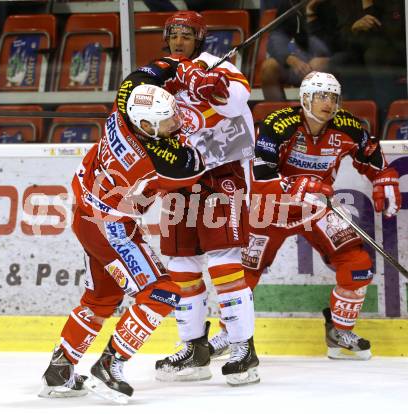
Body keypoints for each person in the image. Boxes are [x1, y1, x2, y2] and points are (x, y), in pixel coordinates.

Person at [38, 74, 227, 401]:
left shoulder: (120, 113)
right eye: (167, 121)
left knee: (100, 300)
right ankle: (109, 365)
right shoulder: (149, 159)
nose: (176, 122)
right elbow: (193, 166)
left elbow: (141, 77)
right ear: (147, 127)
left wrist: (181, 71)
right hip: (111, 228)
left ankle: (60, 370)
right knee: (163, 291)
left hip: (87, 219)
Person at [243, 71, 401, 360]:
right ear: (305, 98)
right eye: (321, 96)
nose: (328, 102)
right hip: (273, 207)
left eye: (333, 97)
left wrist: (385, 177)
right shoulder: (278, 124)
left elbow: (372, 157)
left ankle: (339, 331)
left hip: (317, 206)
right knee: (244, 275)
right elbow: (260, 173)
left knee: (357, 264)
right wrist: (298, 184)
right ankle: (233, 336)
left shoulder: (349, 127)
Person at [153, 11, 259, 386]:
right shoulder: (160, 73)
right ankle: (194, 348)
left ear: (199, 39)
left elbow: (238, 99)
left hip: (222, 170)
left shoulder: (214, 64)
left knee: (224, 260)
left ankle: (243, 349)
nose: (179, 41)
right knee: (180, 262)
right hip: (181, 173)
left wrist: (206, 82)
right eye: (174, 34)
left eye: (187, 35)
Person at [260, 0, 339, 101]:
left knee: (316, 65)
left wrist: (310, 14)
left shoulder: (329, 6)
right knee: (268, 67)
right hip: (296, 60)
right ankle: (278, 113)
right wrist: (288, 58)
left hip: (325, 61)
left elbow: (327, 46)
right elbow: (277, 36)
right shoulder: (289, 4)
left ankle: (316, 112)